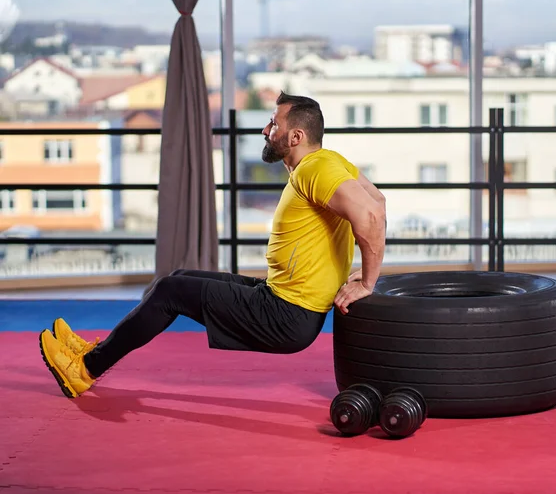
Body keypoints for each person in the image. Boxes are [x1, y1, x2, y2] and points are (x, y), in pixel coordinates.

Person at [39, 91, 387, 399]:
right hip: (285, 300)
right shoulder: (329, 161)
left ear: (296, 135)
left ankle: (84, 370)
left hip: (287, 315)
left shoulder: (316, 169)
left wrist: (368, 282)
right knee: (178, 276)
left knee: (169, 291)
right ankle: (100, 350)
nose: (266, 131)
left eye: (273, 124)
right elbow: (379, 202)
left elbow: (371, 214)